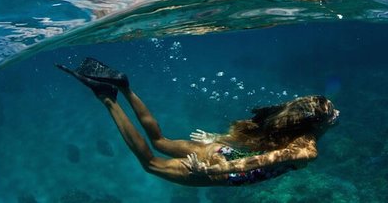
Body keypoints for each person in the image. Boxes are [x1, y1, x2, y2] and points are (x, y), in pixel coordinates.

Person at [56, 57, 339, 186]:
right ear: (316, 122)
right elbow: (257, 162)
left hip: (220, 152)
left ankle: (126, 87)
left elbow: (256, 146)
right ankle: (108, 98)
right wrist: (209, 172)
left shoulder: (284, 125)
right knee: (151, 163)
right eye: (332, 114)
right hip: (224, 168)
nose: (337, 115)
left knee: (160, 141)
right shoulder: (306, 150)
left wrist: (217, 140)